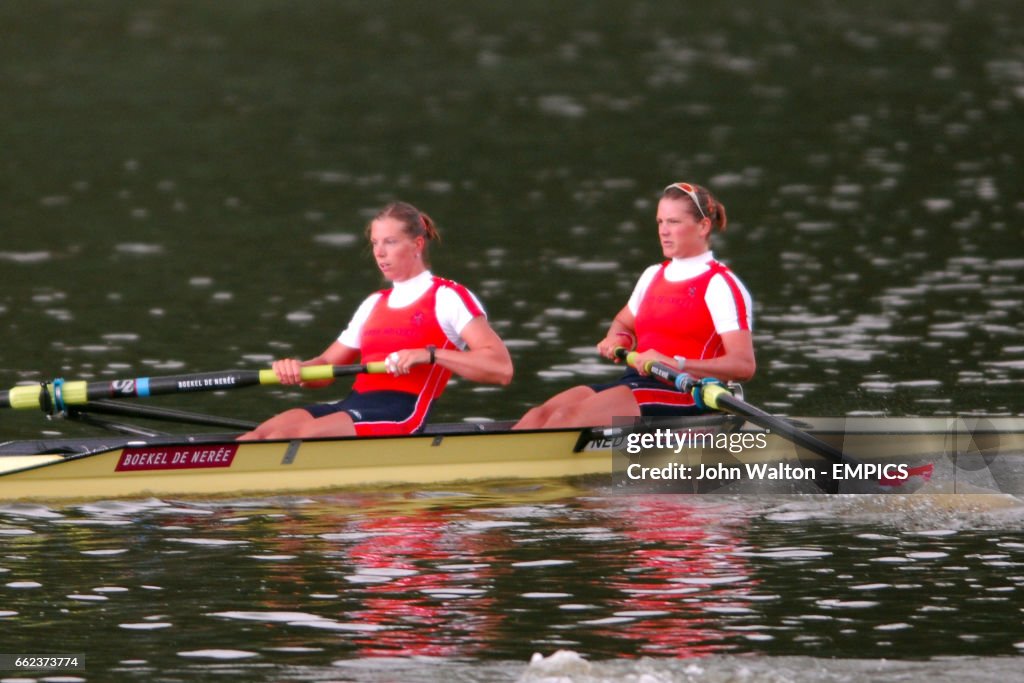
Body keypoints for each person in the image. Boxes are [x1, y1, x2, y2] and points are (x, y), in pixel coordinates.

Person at [240, 202, 513, 440]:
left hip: (401, 412)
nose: (379, 252)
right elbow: (324, 368)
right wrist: (296, 368)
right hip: (353, 405)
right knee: (262, 435)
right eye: (374, 243)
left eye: (390, 242)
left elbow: (500, 369)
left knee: (301, 436)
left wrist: (429, 355)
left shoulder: (447, 297)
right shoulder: (374, 303)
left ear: (417, 244)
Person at [514, 182, 755, 429]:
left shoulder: (720, 284)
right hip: (639, 383)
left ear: (703, 226)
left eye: (673, 222)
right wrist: (618, 338)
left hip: (688, 394)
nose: (663, 231)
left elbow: (743, 366)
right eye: (660, 222)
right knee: (537, 417)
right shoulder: (652, 275)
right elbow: (623, 323)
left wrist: (676, 363)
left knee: (565, 420)